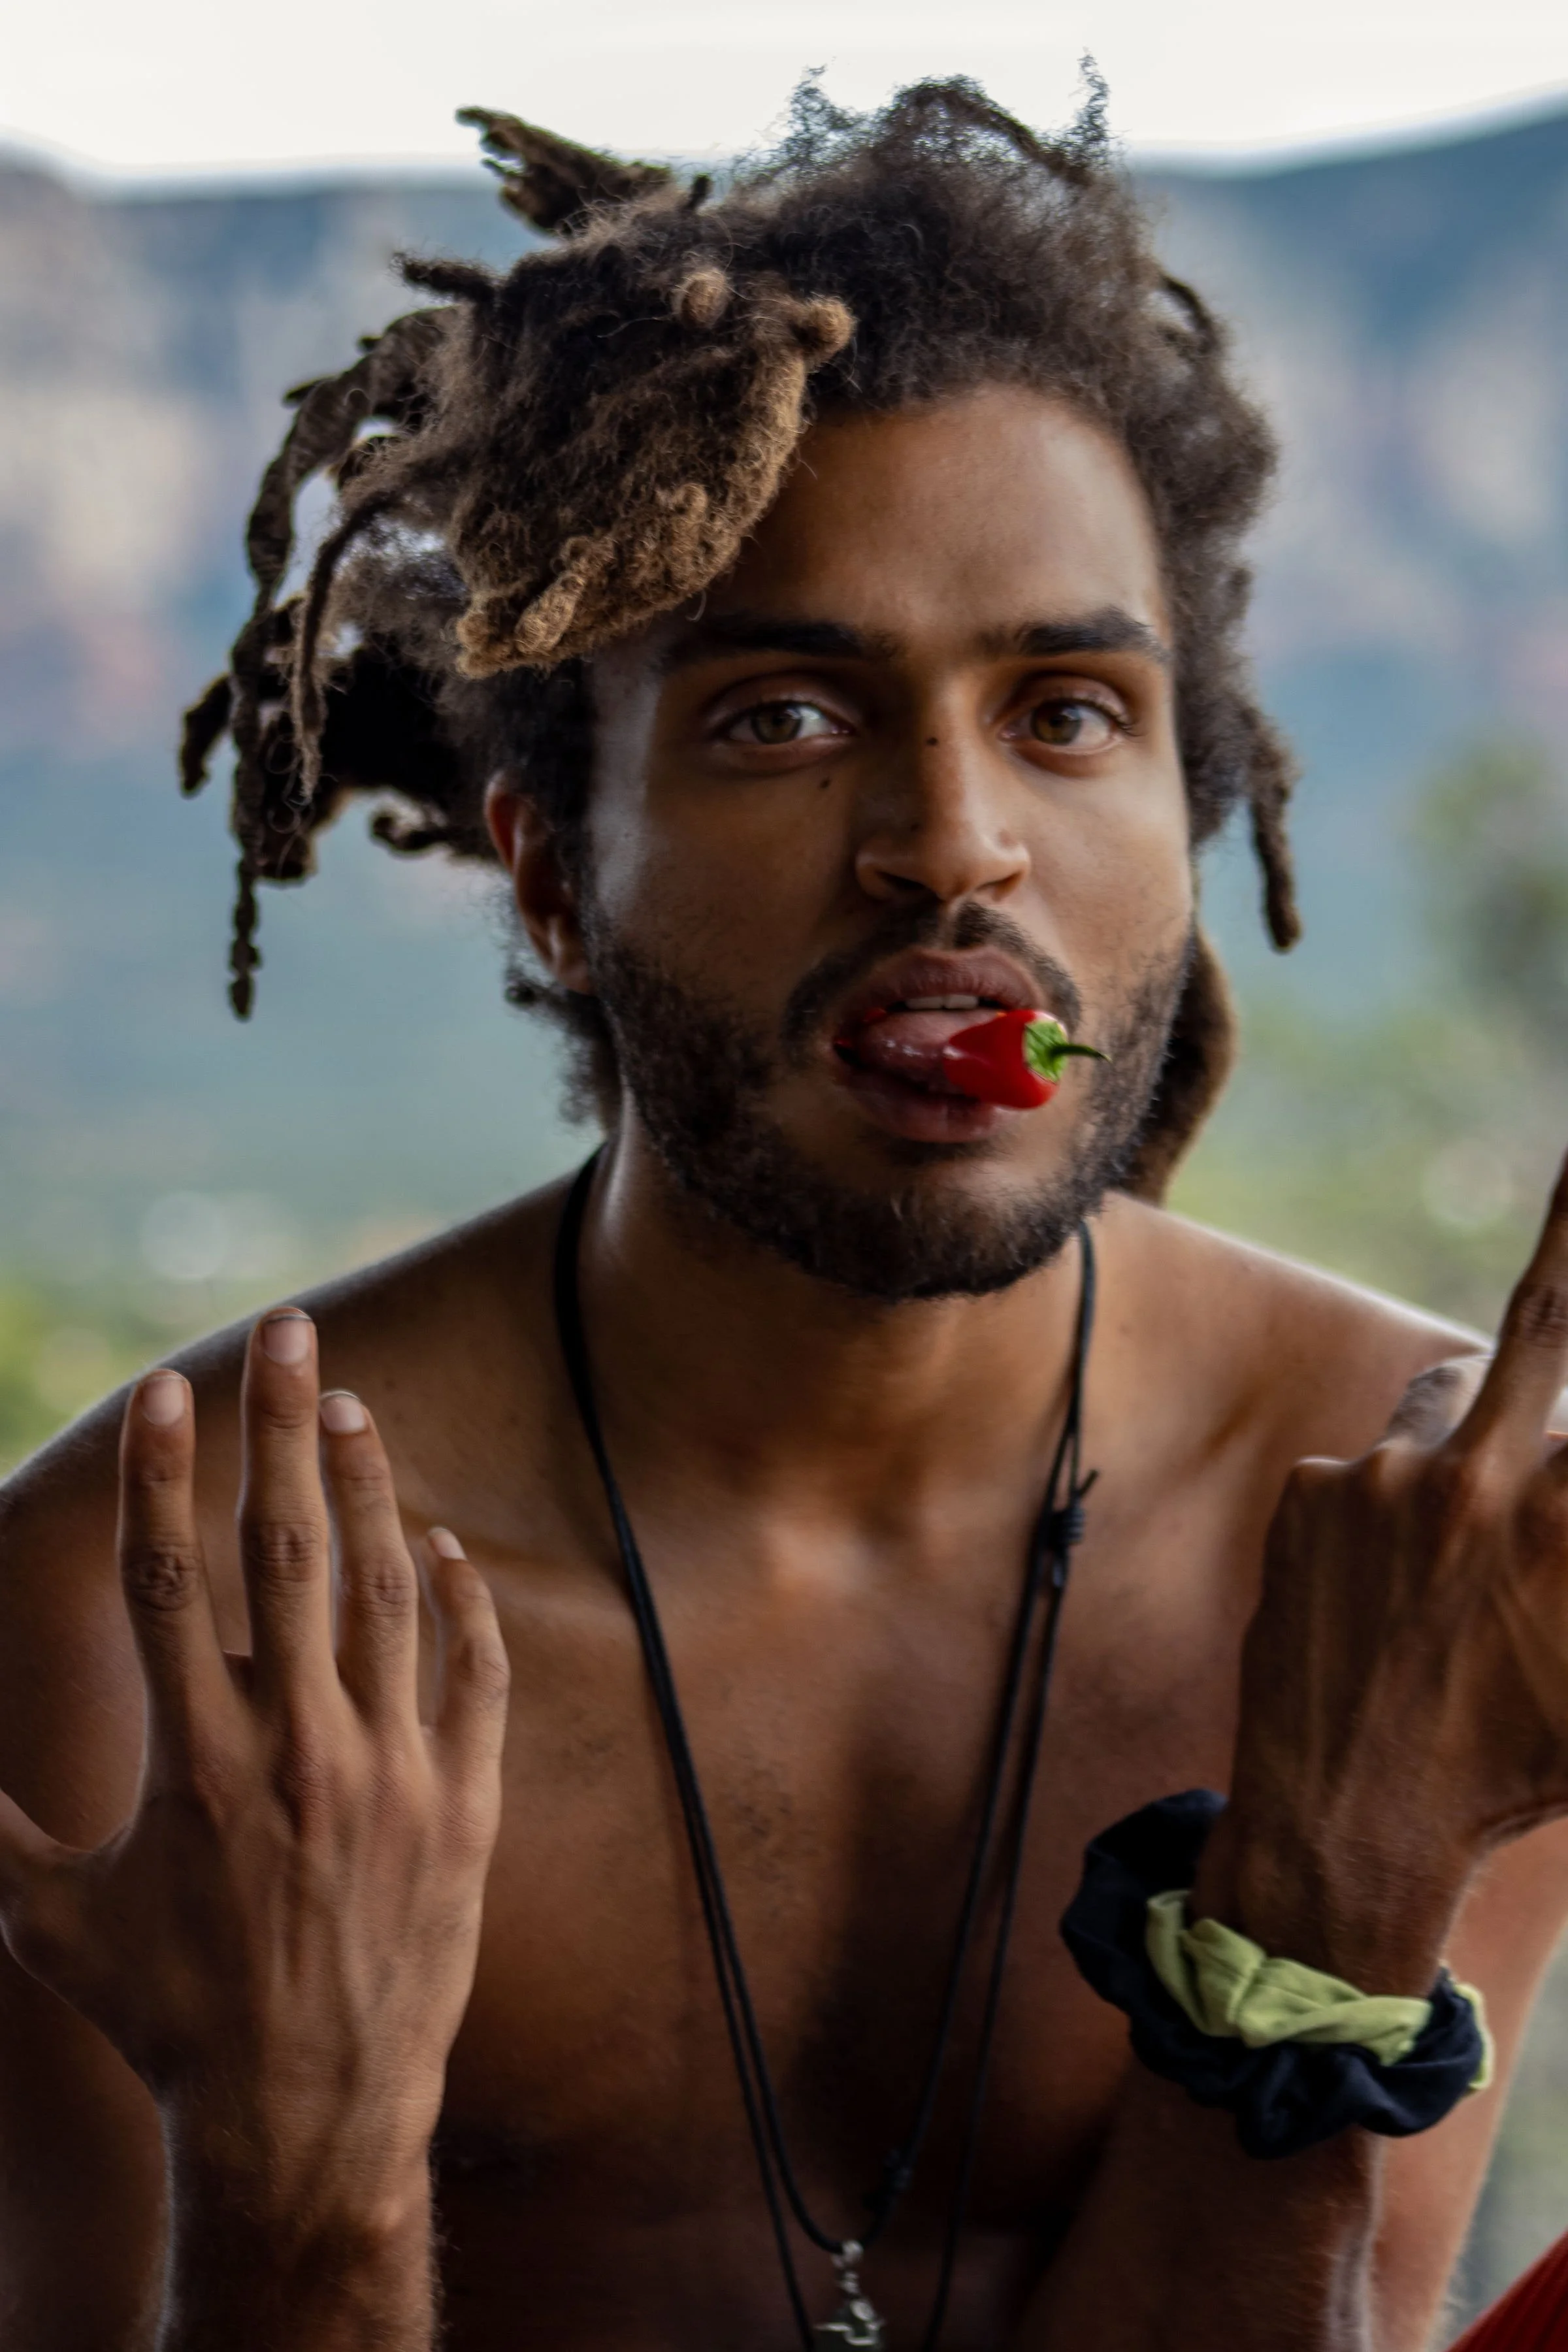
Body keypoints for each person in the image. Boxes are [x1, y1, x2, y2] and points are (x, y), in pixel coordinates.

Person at [1, 76, 1567, 2352]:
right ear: (551, 872)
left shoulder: (1434, 1564)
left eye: (1064, 711)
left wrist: (1346, 1877)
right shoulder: (160, 1632)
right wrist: (303, 2182)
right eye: (780, 717)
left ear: (1186, 814)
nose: (953, 843)